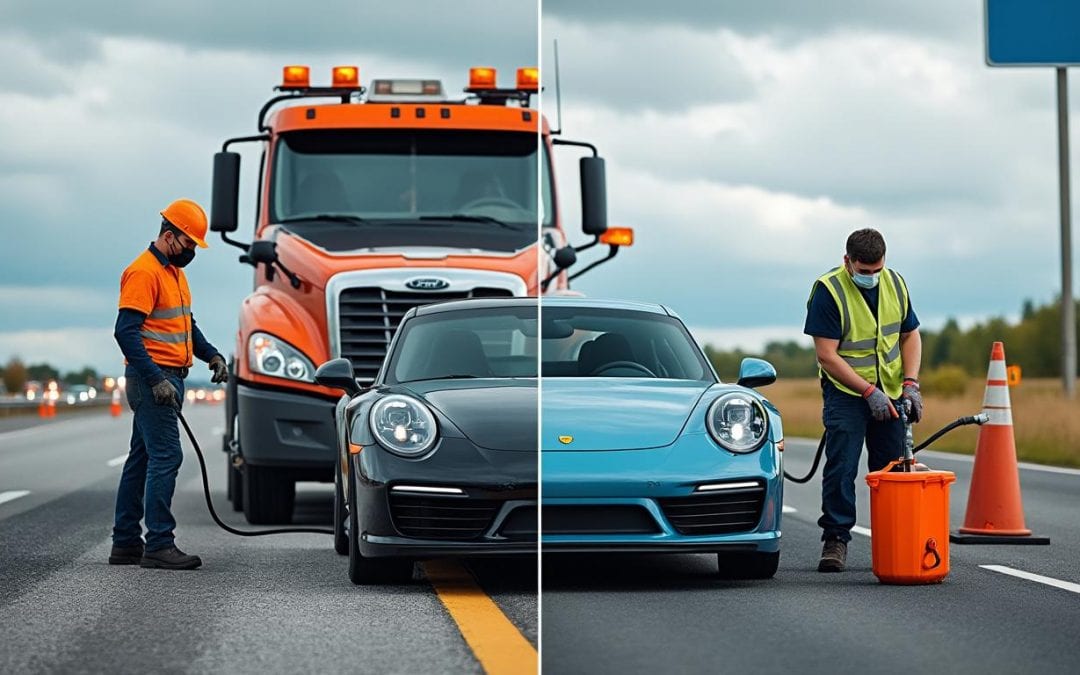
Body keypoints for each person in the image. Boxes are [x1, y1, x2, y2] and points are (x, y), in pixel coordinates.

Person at [109, 199, 228, 570]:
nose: (191, 251)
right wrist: (156, 378)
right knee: (167, 456)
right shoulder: (144, 272)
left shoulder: (174, 273)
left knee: (141, 459)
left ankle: (125, 543)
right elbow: (125, 333)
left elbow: (185, 326)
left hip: (167, 377)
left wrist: (211, 355)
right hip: (152, 380)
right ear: (168, 235)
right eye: (188, 243)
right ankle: (159, 543)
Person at [803, 228, 923, 572]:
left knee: (891, 469)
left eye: (877, 270)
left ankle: (895, 538)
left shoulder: (896, 284)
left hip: (891, 391)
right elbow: (827, 355)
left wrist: (910, 384)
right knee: (842, 465)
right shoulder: (829, 291)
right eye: (864, 271)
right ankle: (836, 539)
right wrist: (867, 391)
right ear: (848, 262)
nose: (870, 277)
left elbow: (910, 334)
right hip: (846, 394)